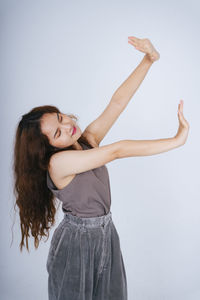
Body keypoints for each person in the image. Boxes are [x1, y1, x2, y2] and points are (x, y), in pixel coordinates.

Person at [13, 36, 189, 300]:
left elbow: (117, 103)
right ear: (46, 148)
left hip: (107, 233)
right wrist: (176, 141)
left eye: (61, 118)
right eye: (58, 133)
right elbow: (117, 151)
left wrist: (148, 59)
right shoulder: (58, 164)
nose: (67, 126)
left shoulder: (86, 142)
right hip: (76, 243)